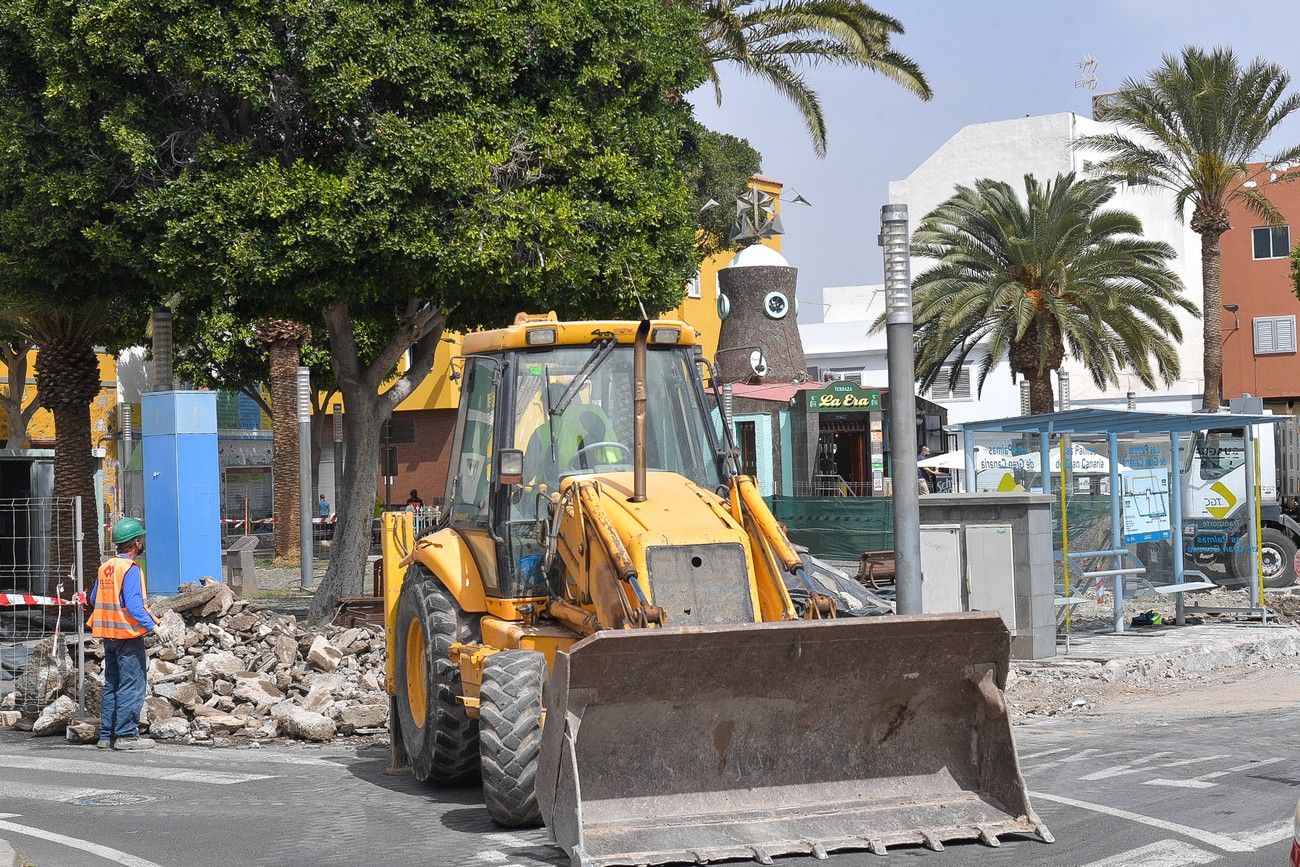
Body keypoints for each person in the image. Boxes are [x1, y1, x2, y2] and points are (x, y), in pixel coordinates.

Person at [88, 518, 158, 751]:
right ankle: (127, 735)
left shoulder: (105, 567)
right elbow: (136, 607)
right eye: (141, 539)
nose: (143, 542)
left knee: (112, 684)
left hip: (108, 636)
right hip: (127, 637)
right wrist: (155, 627)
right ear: (135, 543)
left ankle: (106, 735)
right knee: (132, 684)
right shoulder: (130, 569)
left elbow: (93, 599)